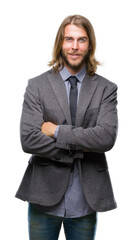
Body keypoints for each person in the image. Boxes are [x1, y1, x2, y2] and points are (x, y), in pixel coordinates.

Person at [15, 14, 118, 240]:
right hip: (43, 198)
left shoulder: (106, 89)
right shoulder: (37, 86)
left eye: (81, 40)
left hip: (84, 200)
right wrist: (82, 146)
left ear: (89, 44)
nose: (74, 46)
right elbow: (28, 139)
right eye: (68, 39)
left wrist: (56, 131)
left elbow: (106, 137)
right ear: (60, 43)